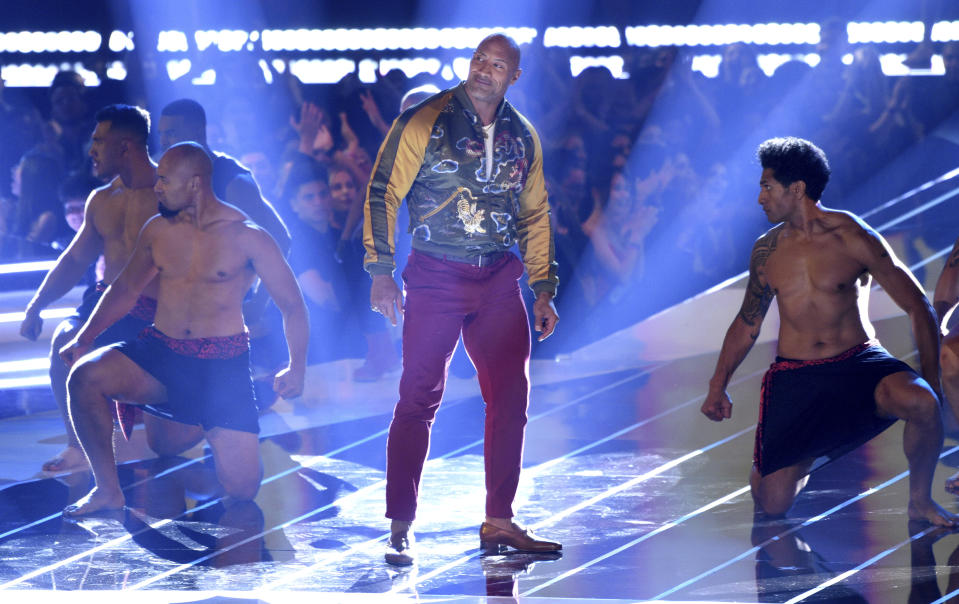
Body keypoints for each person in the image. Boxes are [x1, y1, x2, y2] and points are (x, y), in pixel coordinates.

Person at [363, 33, 562, 565]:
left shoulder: (523, 135)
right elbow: (384, 190)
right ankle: (400, 524)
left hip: (499, 278)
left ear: (512, 77)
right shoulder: (425, 119)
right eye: (479, 59)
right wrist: (380, 271)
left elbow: (535, 214)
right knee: (418, 396)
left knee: (511, 398)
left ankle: (499, 520)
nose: (484, 70)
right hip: (435, 276)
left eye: (497, 65)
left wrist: (543, 287)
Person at [702, 137, 955, 526]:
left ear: (797, 188)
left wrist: (934, 382)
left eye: (767, 186)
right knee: (772, 503)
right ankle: (808, 453)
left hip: (859, 364)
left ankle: (919, 500)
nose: (760, 198)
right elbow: (747, 321)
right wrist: (717, 385)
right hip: (797, 377)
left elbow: (917, 305)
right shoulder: (767, 251)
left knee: (922, 402)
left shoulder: (852, 236)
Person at [59, 142, 308, 516]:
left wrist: (297, 365)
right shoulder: (157, 229)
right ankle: (107, 490)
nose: (155, 188)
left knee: (242, 491)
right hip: (161, 353)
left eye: (164, 181)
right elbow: (125, 289)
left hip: (222, 367)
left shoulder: (247, 235)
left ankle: (210, 417)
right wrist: (85, 336)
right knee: (84, 376)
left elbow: (292, 305)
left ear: (194, 184)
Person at [19, 104, 161, 472]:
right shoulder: (101, 200)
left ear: (126, 146)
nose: (91, 149)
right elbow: (74, 259)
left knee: (170, 441)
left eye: (99, 141)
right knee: (63, 343)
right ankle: (78, 447)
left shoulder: (169, 195)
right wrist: (36, 306)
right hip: (103, 300)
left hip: (157, 310)